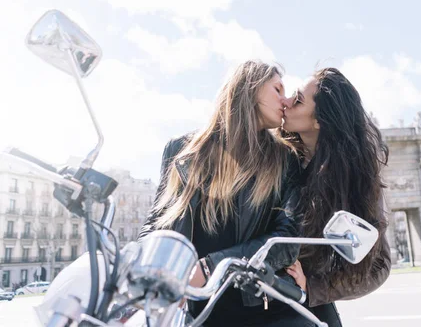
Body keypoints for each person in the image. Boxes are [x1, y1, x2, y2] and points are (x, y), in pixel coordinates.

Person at [139, 60, 311, 326]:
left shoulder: (285, 159)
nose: (286, 100)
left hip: (266, 311)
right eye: (277, 89)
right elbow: (158, 222)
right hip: (198, 312)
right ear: (250, 88)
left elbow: (287, 239)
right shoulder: (181, 151)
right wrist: (148, 268)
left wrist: (209, 267)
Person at [280, 67, 392, 326]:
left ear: (320, 120)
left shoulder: (354, 179)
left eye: (297, 100)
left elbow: (379, 266)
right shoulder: (274, 155)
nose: (285, 101)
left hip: (301, 301)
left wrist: (314, 287)